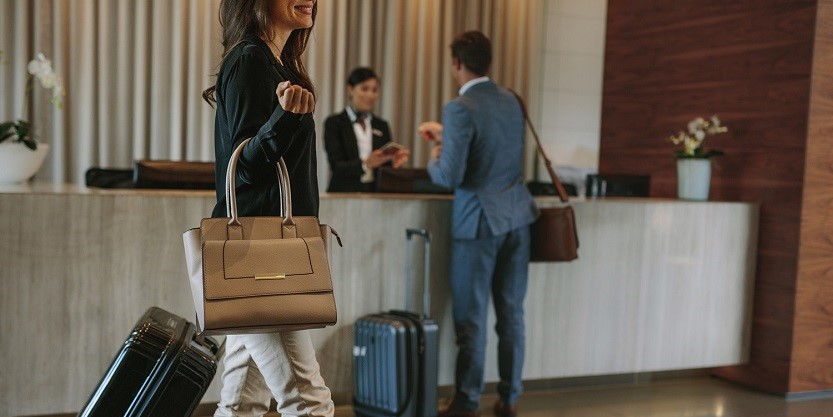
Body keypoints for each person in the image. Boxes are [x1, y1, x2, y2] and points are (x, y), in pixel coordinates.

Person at [201, 1, 334, 416]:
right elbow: (244, 169)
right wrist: (286, 118)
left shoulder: (277, 64)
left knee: (241, 403)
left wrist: (286, 116)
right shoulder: (249, 59)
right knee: (309, 402)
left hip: (265, 259)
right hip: (263, 263)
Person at [420, 31, 539, 417]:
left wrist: (436, 156)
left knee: (470, 320)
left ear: (457, 63)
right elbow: (496, 149)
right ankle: (509, 397)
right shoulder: (511, 100)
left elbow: (450, 176)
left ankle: (467, 402)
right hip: (518, 218)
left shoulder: (460, 108)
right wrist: (449, 137)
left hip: (478, 224)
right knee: (511, 314)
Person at [324, 67, 409, 192]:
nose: (371, 95)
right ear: (350, 89)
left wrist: (394, 163)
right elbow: (336, 166)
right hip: (343, 193)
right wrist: (366, 164)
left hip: (375, 194)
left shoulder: (381, 125)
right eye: (365, 89)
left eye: (374, 90)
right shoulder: (335, 123)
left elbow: (384, 167)